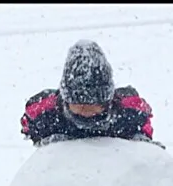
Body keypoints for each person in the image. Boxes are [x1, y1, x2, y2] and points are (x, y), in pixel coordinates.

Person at [20, 40, 162, 148]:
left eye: (93, 105)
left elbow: (144, 126)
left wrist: (143, 146)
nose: (86, 111)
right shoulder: (44, 113)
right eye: (79, 104)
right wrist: (46, 145)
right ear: (65, 100)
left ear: (108, 101)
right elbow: (29, 125)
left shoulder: (130, 112)